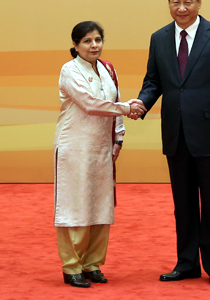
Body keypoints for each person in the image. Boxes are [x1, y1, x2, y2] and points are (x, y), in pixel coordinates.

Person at [136, 0, 210, 286]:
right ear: (169, 3)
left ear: (198, 3)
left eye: (187, 2)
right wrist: (141, 103)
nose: (181, 8)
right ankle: (186, 263)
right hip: (176, 132)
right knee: (182, 205)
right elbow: (153, 81)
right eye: (175, 2)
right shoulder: (159, 38)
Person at [55, 21, 146, 288]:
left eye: (97, 40)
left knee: (101, 204)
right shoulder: (69, 70)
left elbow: (114, 102)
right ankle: (71, 266)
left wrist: (118, 137)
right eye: (87, 41)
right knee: (76, 204)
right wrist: (127, 107)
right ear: (75, 45)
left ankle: (92, 263)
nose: (94, 45)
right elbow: (90, 104)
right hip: (75, 146)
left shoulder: (108, 69)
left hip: (102, 147)